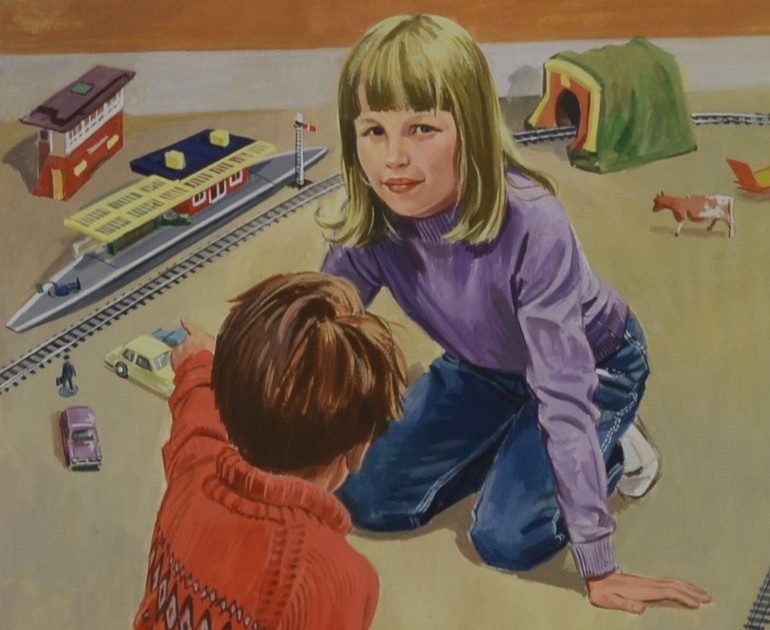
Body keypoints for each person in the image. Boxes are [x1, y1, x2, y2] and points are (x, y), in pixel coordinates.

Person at [317, 14, 712, 615]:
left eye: (420, 128)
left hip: (589, 364)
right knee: (364, 494)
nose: (393, 158)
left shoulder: (532, 224)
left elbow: (561, 390)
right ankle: (507, 436)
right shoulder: (373, 217)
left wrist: (598, 564)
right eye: (373, 130)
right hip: (482, 364)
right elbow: (318, 327)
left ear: (470, 131)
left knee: (505, 538)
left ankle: (618, 447)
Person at [133, 272, 407, 630]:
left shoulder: (193, 478)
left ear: (230, 405)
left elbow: (195, 424)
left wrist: (197, 364)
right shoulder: (337, 576)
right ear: (358, 449)